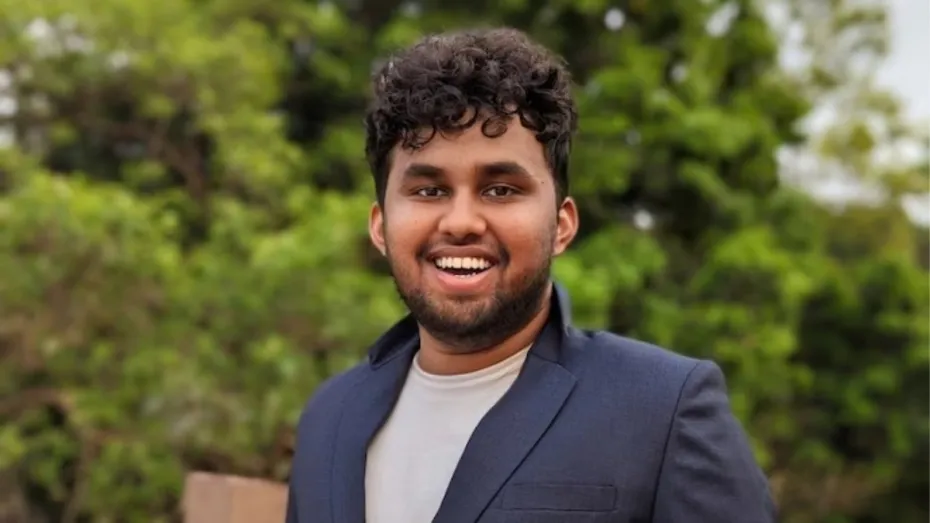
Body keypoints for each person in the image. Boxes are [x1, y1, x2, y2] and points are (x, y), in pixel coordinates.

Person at [285, 27, 776, 523]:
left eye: (500, 190)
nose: (461, 223)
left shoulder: (664, 410)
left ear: (561, 225)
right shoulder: (329, 418)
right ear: (380, 226)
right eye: (429, 191)